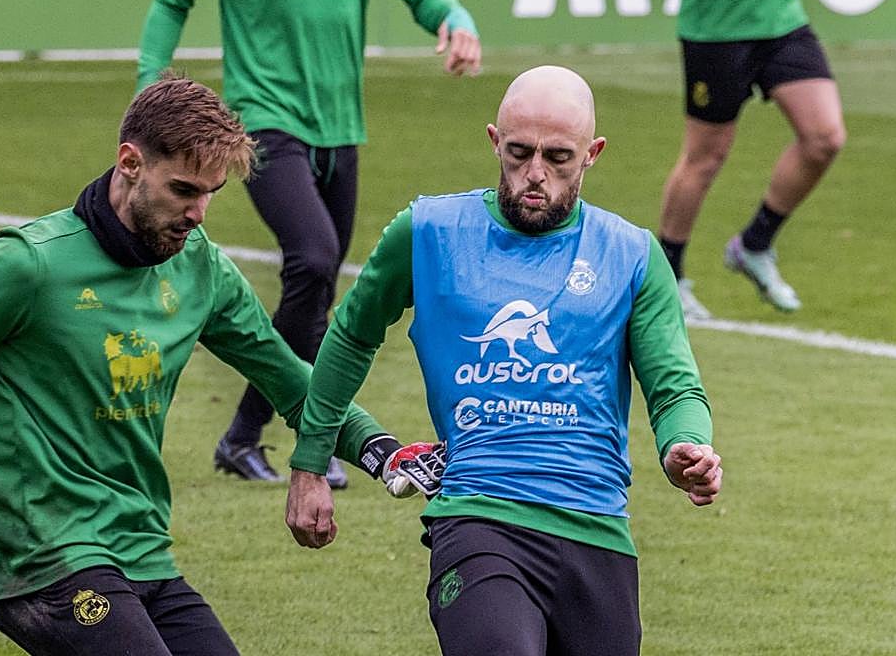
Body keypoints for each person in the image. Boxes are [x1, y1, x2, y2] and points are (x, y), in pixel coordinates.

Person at [0, 75, 427, 656]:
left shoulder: (201, 269)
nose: (200, 213)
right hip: (43, 564)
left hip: (143, 555)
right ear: (130, 163)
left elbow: (289, 379)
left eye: (211, 193)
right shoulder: (27, 265)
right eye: (184, 190)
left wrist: (379, 448)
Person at [285, 66, 723, 656]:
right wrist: (310, 463)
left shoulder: (633, 254)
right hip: (478, 517)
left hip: (598, 528)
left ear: (592, 154)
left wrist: (684, 446)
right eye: (519, 152)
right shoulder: (429, 232)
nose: (535, 173)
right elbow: (350, 337)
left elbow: (674, 388)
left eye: (558, 157)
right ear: (495, 142)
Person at [137, 0, 482, 486]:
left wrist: (455, 17)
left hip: (341, 129)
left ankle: (246, 438)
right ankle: (306, 439)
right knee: (315, 258)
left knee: (316, 294)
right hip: (263, 120)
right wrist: (150, 83)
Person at [658, 0, 847, 320]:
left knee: (824, 137)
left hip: (780, 19)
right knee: (705, 156)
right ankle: (667, 277)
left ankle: (755, 245)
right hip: (718, 28)